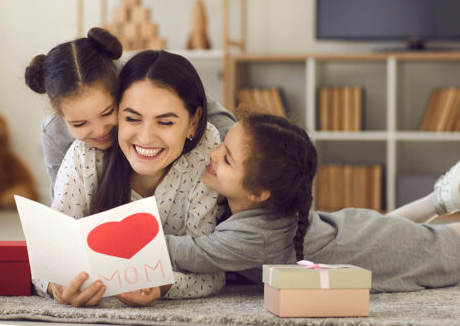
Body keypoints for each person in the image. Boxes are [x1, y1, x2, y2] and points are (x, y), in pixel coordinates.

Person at [166, 112, 460, 292]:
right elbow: (216, 113)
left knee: (445, 251)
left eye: (227, 158)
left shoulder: (257, 238)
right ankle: (439, 200)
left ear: (258, 192)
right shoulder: (264, 201)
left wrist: (122, 234)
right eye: (221, 145)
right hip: (357, 230)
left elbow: (189, 253)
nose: (213, 154)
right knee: (400, 231)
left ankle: (440, 201)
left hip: (372, 243)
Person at [35, 50, 226, 307]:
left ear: (193, 122)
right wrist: (57, 287)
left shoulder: (207, 149)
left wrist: (165, 284)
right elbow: (45, 260)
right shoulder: (86, 154)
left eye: (165, 122)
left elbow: (211, 272)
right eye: (132, 118)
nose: (146, 138)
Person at [25, 27, 235, 204]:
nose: (99, 130)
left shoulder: (138, 84)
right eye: (79, 123)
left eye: (107, 112)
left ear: (118, 89)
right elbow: (62, 200)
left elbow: (200, 106)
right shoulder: (56, 132)